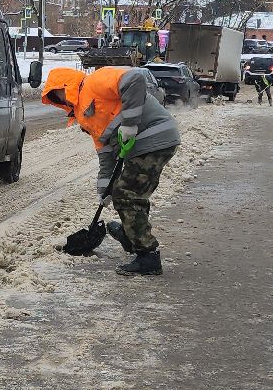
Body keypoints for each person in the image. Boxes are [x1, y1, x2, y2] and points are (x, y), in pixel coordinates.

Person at [40, 65, 181, 276]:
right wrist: (104, 190)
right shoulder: (84, 117)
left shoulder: (94, 82)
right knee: (129, 193)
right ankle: (130, 237)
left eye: (58, 93)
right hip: (143, 146)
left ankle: (148, 255)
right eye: (55, 98)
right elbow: (105, 155)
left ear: (65, 85)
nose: (60, 99)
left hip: (154, 138)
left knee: (127, 195)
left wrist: (130, 124)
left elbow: (134, 79)